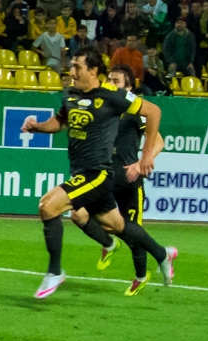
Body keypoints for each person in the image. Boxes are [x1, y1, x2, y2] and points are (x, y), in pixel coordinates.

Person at [21, 46, 176, 299]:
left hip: (98, 174)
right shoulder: (71, 95)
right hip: (80, 172)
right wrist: (37, 127)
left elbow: (154, 111)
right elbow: (61, 121)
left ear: (93, 70)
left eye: (77, 67)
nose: (71, 72)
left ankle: (55, 271)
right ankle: (162, 253)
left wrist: (146, 156)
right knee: (116, 225)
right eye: (71, 66)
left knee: (48, 206)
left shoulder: (113, 96)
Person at [69, 64, 165, 296]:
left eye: (117, 81)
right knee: (78, 213)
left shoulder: (134, 111)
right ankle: (109, 244)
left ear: (129, 88)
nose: (111, 84)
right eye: (109, 80)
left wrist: (141, 163)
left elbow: (159, 141)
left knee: (133, 232)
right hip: (104, 177)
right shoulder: (104, 107)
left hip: (129, 180)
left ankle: (140, 276)